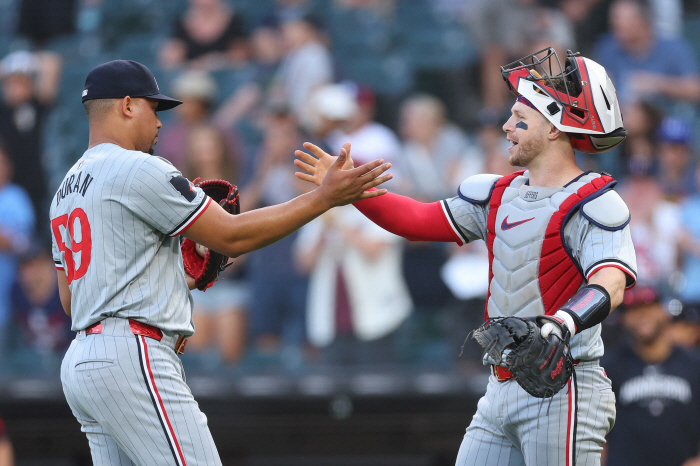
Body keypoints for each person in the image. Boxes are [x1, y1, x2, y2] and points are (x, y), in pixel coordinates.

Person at [296, 47, 637, 465]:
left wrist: (562, 323)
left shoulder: (595, 200)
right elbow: (418, 220)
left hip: (565, 384)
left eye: (519, 118)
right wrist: (354, 192)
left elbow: (612, 282)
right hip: (500, 384)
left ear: (553, 129)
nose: (506, 126)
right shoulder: (494, 192)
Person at [52, 59, 391, 465]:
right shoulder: (136, 167)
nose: (160, 123)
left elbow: (72, 299)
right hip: (133, 355)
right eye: (153, 109)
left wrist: (175, 273)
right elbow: (232, 234)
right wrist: (323, 198)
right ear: (127, 105)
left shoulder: (65, 189)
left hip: (83, 362)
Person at [602, 286, 700, 466]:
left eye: (648, 307)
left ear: (663, 310)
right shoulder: (609, 367)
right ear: (623, 318)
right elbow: (598, 432)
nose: (642, 316)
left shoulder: (694, 364)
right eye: (634, 311)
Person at [159, 0, 249, 70]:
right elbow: (169, 60)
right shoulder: (179, 23)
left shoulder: (235, 21)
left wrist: (215, 62)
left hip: (225, 79)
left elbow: (241, 56)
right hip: (190, 82)